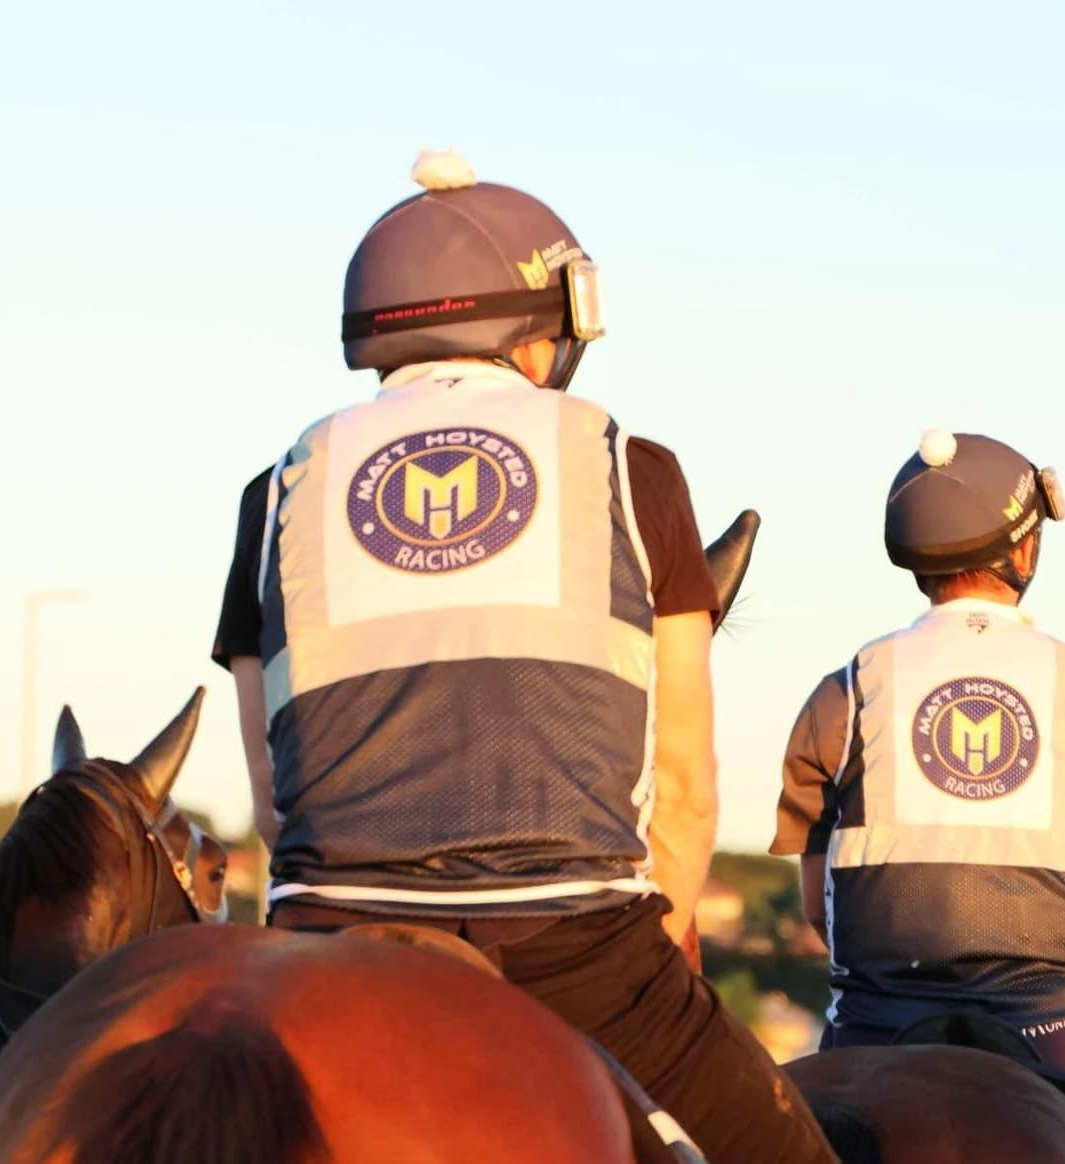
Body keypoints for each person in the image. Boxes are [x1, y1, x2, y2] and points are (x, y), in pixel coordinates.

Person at [212, 147, 835, 1163]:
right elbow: (683, 789)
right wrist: (642, 970)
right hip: (575, 950)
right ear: (535, 330)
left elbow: (273, 799)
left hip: (327, 946)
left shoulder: (275, 491)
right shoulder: (630, 467)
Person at [773, 429, 1065, 1072]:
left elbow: (815, 907)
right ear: (1023, 550)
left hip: (876, 1027)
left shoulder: (845, 690)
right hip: (1058, 1027)